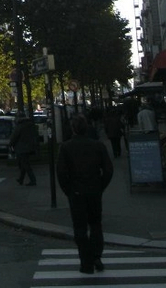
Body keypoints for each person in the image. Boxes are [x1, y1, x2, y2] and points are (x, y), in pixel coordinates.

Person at [57, 113, 114, 275]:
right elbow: (108, 169)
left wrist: (68, 190)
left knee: (80, 227)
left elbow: (61, 173)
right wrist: (100, 186)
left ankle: (86, 262)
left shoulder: (66, 147)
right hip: (94, 189)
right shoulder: (98, 146)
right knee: (96, 224)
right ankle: (97, 256)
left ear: (73, 129)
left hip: (76, 191)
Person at [9, 111, 37, 186]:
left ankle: (33, 180)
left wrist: (11, 144)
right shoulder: (30, 125)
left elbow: (14, 136)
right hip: (29, 146)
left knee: (25, 164)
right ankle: (21, 179)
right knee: (24, 163)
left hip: (21, 147)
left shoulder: (20, 126)